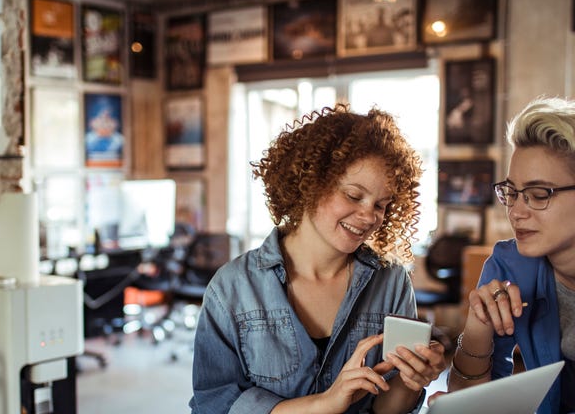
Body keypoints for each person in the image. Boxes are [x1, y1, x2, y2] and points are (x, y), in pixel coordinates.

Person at [189, 104, 446, 414]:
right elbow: (214, 406)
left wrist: (412, 380)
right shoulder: (232, 288)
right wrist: (324, 404)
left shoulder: (391, 282)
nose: (368, 217)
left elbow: (387, 409)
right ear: (310, 184)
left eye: (381, 205)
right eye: (353, 196)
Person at [446, 97, 575, 414]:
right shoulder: (510, 265)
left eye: (538, 194)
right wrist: (478, 327)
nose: (515, 212)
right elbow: (471, 401)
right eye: (512, 193)